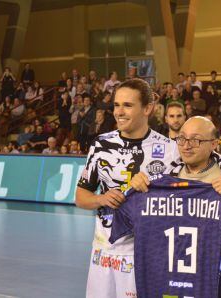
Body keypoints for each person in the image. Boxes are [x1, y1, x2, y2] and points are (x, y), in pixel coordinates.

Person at [75, 79, 179, 298]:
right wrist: (101, 199)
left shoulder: (170, 149)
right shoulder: (100, 144)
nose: (119, 112)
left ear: (147, 108)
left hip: (144, 255)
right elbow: (81, 197)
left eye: (127, 105)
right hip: (104, 253)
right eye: (116, 105)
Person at [129, 116, 221, 298]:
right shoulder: (164, 174)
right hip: (170, 280)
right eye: (182, 138)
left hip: (216, 283)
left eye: (195, 140)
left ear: (213, 144)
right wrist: (138, 184)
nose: (186, 146)